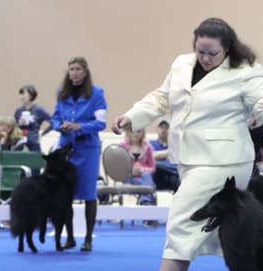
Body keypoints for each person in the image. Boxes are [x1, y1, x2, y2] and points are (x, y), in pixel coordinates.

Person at [113, 17, 263, 271]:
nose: (204, 58)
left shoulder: (247, 71)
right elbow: (161, 98)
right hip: (190, 160)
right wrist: (131, 117)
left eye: (211, 53)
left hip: (224, 163)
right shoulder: (181, 64)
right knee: (235, 243)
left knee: (180, 224)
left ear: (226, 48)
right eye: (200, 51)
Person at [50, 55, 107, 252]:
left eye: (78, 69)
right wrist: (60, 126)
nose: (74, 73)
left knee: (89, 194)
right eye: (71, 69)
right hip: (66, 150)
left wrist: (79, 126)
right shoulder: (62, 93)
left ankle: (88, 239)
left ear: (85, 71)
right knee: (66, 195)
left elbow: (101, 123)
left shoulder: (97, 93)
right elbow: (55, 117)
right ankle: (70, 237)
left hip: (88, 150)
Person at [119, 127, 157, 207]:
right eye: (133, 131)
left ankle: (145, 201)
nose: (136, 134)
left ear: (143, 133)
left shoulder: (148, 147)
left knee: (146, 176)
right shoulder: (122, 146)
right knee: (148, 185)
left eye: (139, 131)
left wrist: (143, 170)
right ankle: (146, 199)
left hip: (142, 179)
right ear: (128, 132)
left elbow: (152, 167)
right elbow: (119, 167)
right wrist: (130, 171)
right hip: (128, 178)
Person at [14, 84, 51, 152]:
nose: (21, 97)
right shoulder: (18, 111)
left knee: (36, 159)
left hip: (33, 141)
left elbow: (53, 122)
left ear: (31, 95)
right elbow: (14, 126)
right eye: (20, 94)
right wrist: (19, 123)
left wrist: (43, 134)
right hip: (20, 141)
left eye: (24, 94)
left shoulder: (39, 110)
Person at [149, 119, 180, 192]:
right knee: (154, 164)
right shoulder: (151, 143)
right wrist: (169, 154)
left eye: (166, 128)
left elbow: (178, 159)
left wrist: (160, 155)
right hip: (157, 177)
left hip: (173, 178)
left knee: (180, 170)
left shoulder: (175, 144)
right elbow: (151, 157)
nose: (164, 130)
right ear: (157, 129)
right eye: (162, 127)